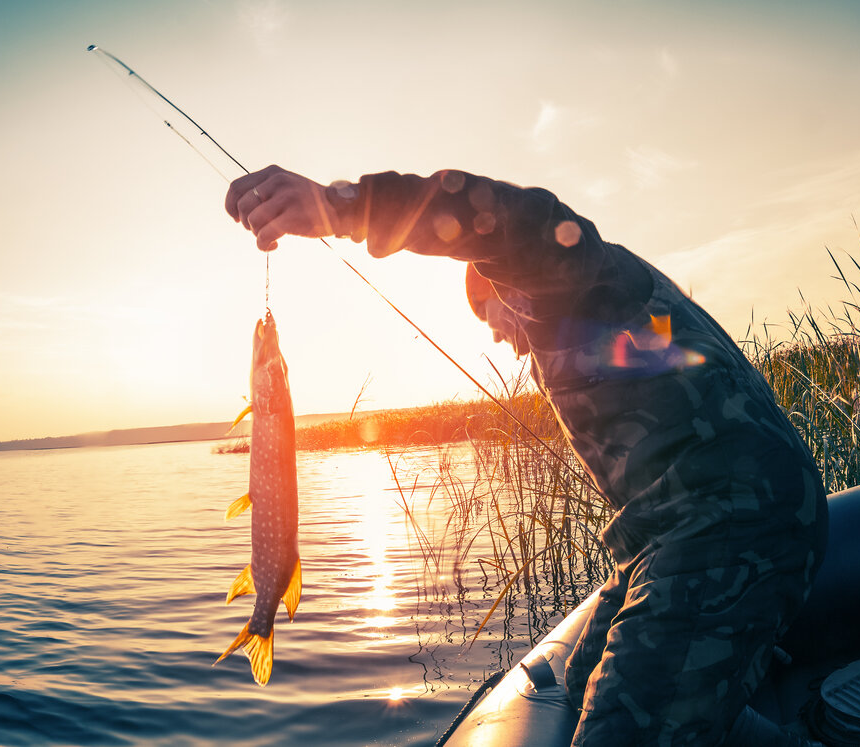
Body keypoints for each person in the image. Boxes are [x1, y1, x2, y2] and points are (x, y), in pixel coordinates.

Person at [224, 165, 829, 746]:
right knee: (582, 674)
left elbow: (502, 218)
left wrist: (342, 207)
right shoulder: (602, 318)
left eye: (489, 315)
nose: (495, 336)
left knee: (619, 731)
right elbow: (664, 380)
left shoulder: (576, 270)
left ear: (517, 280)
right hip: (677, 530)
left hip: (736, 520)